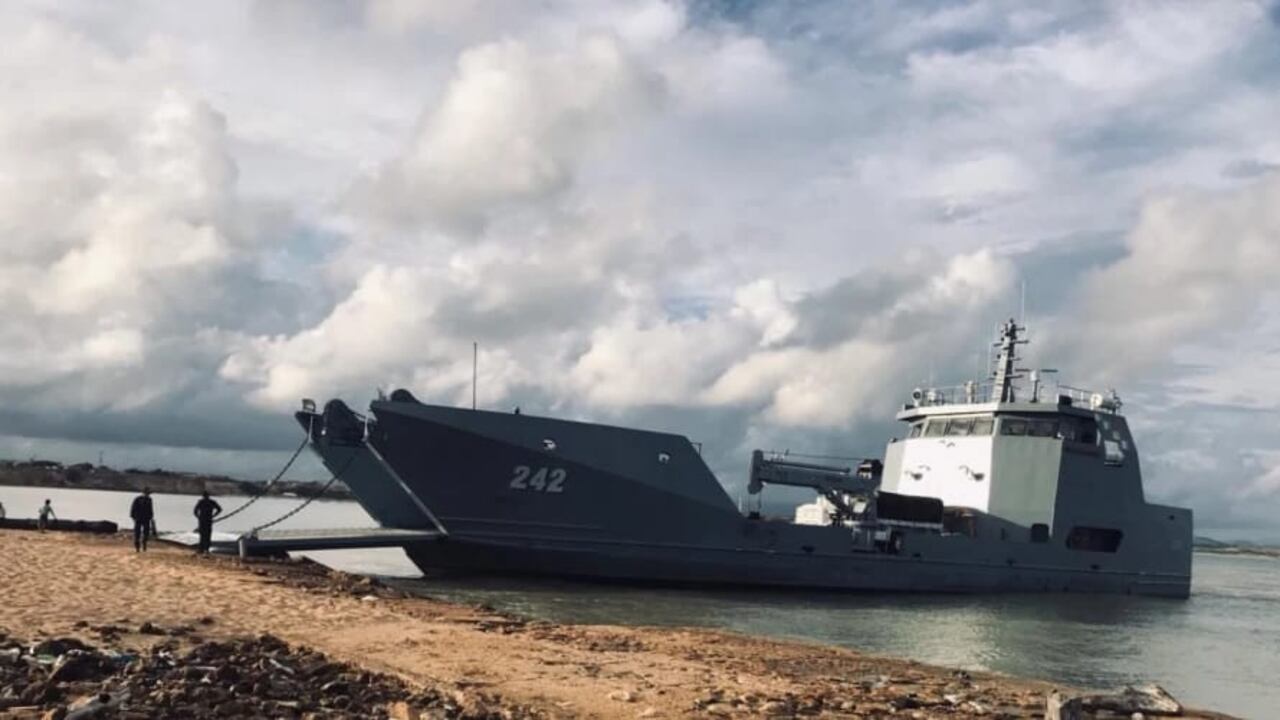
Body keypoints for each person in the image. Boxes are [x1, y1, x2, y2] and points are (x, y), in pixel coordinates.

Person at [130, 487, 155, 552]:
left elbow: (150, 509)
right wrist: (133, 517)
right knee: (137, 533)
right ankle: (137, 548)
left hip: (146, 519)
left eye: (148, 493)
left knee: (146, 533)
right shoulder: (137, 499)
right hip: (138, 518)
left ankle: (144, 546)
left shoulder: (149, 499)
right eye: (147, 493)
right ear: (144, 493)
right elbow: (133, 508)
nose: (148, 494)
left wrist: (151, 517)